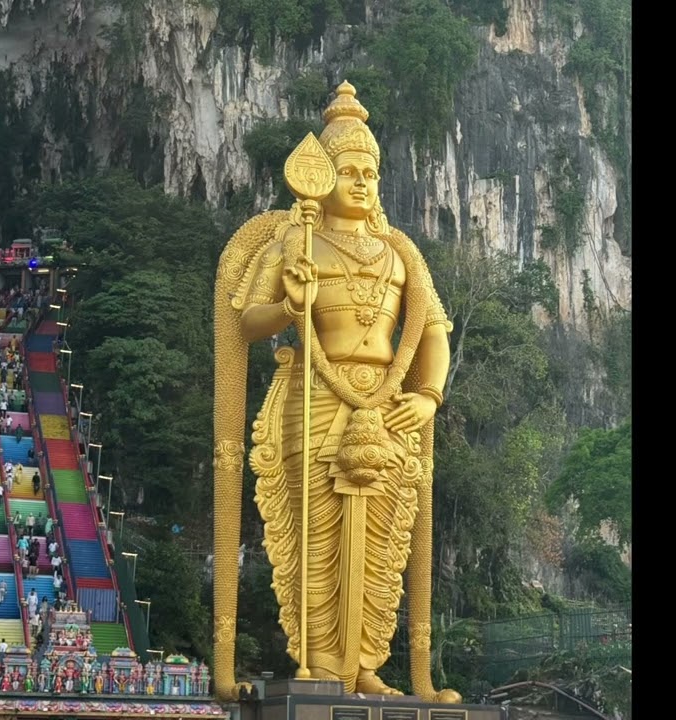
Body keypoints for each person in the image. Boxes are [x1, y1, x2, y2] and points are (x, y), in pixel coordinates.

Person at [210, 82, 457, 702]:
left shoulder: (402, 252)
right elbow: (247, 319)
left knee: (383, 538)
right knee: (313, 532)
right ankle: (321, 661)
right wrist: (292, 301)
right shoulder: (296, 240)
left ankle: (368, 662)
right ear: (321, 176)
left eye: (370, 172)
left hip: (388, 400)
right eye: (347, 170)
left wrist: (428, 396)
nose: (360, 181)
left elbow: (432, 331)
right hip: (312, 396)